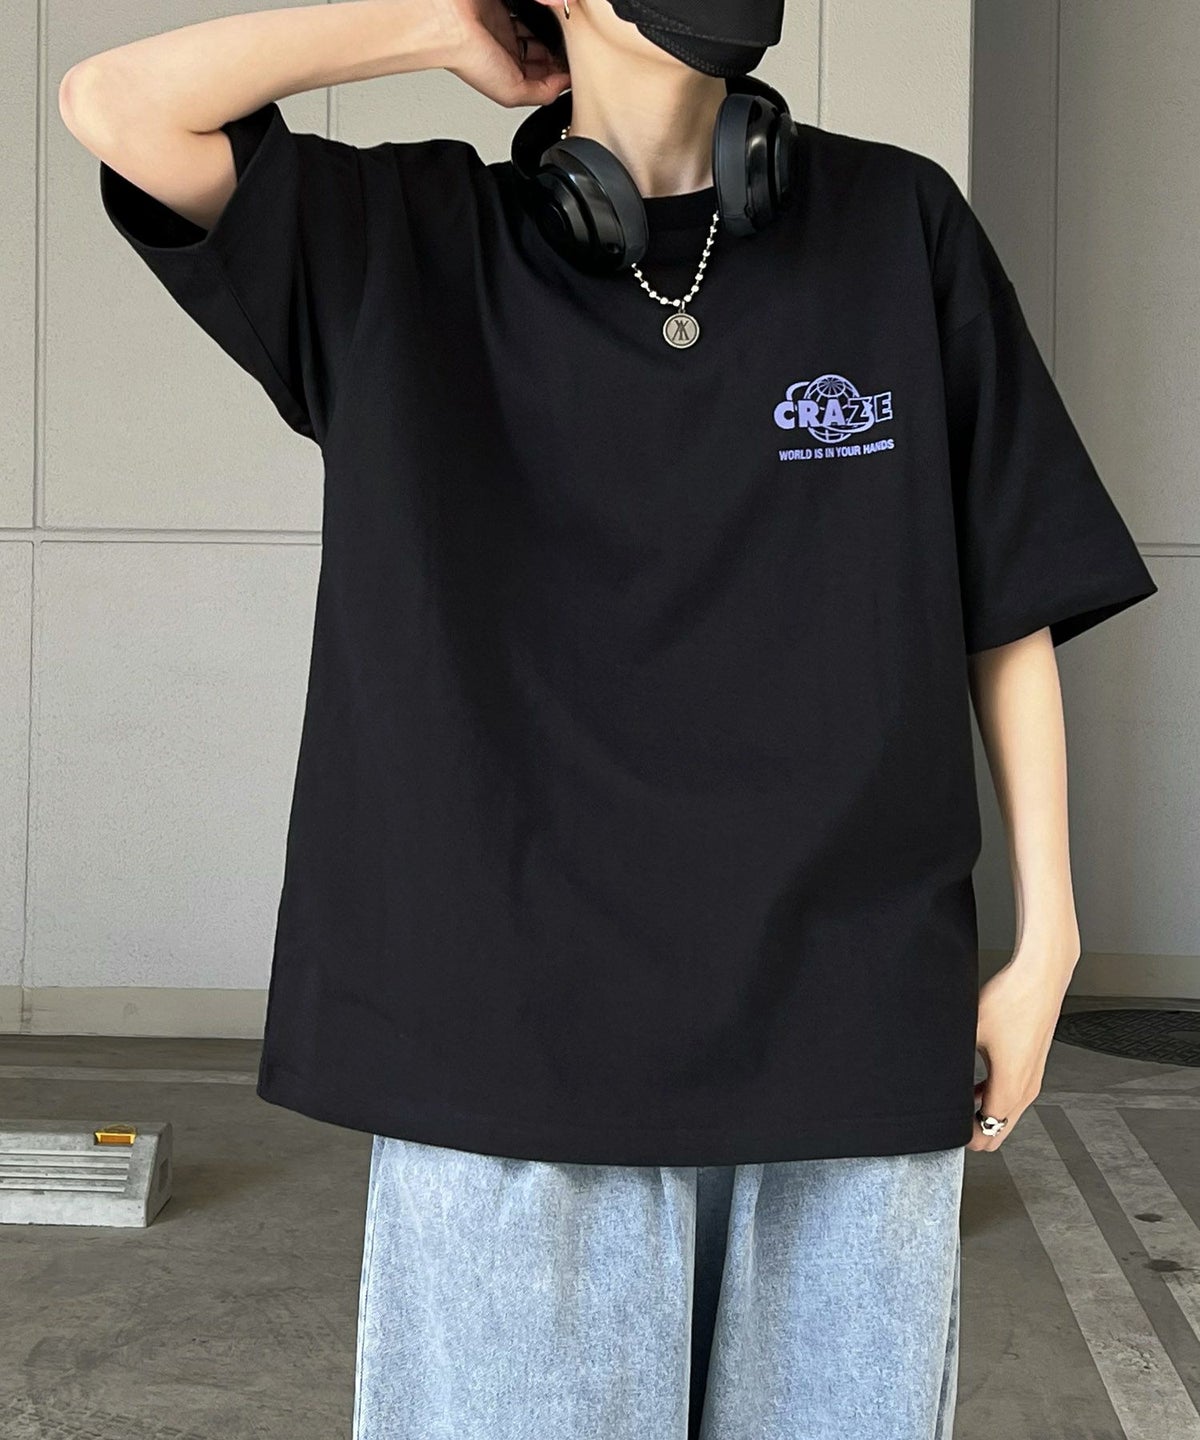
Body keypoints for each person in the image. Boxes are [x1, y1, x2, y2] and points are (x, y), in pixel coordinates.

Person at [61, 1, 1158, 1436]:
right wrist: (443, 21)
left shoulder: (899, 222)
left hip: (848, 1015)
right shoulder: (403, 244)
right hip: (507, 1039)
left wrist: (1047, 937)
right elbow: (118, 102)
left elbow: (1005, 594)